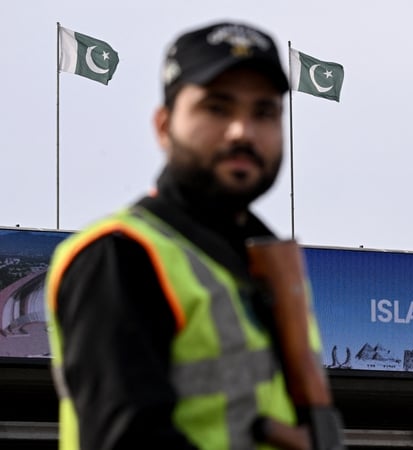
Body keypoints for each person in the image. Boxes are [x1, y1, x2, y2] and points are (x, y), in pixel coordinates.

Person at [45, 21, 342, 450]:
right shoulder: (120, 255)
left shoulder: (261, 263)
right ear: (164, 126)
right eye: (217, 108)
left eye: (264, 112)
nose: (242, 131)